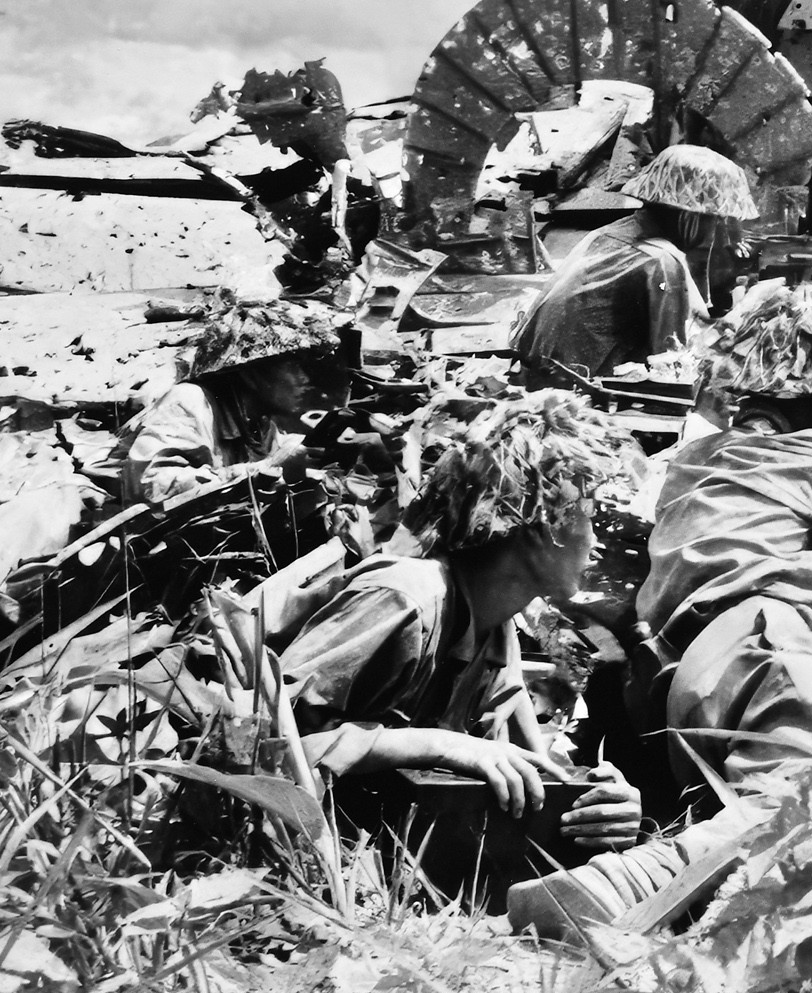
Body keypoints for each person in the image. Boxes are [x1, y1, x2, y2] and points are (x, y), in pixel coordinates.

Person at [507, 281, 812, 937]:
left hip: (683, 685)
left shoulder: (692, 457)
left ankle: (681, 905)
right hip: (767, 649)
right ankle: (614, 885)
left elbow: (765, 487)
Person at [275, 391, 645, 850]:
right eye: (589, 517)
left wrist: (596, 803)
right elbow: (267, 742)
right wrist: (438, 744)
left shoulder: (495, 625)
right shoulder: (407, 597)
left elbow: (530, 767)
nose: (597, 541)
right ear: (534, 528)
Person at [513, 144, 759, 382]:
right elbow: (672, 359)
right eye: (714, 220)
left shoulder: (607, 233)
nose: (717, 232)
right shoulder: (660, 260)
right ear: (689, 216)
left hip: (535, 366)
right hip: (573, 385)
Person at [121, 295, 340, 503]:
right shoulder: (190, 402)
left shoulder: (259, 423)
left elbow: (282, 453)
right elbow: (148, 485)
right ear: (251, 373)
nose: (305, 378)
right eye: (293, 365)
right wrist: (261, 470)